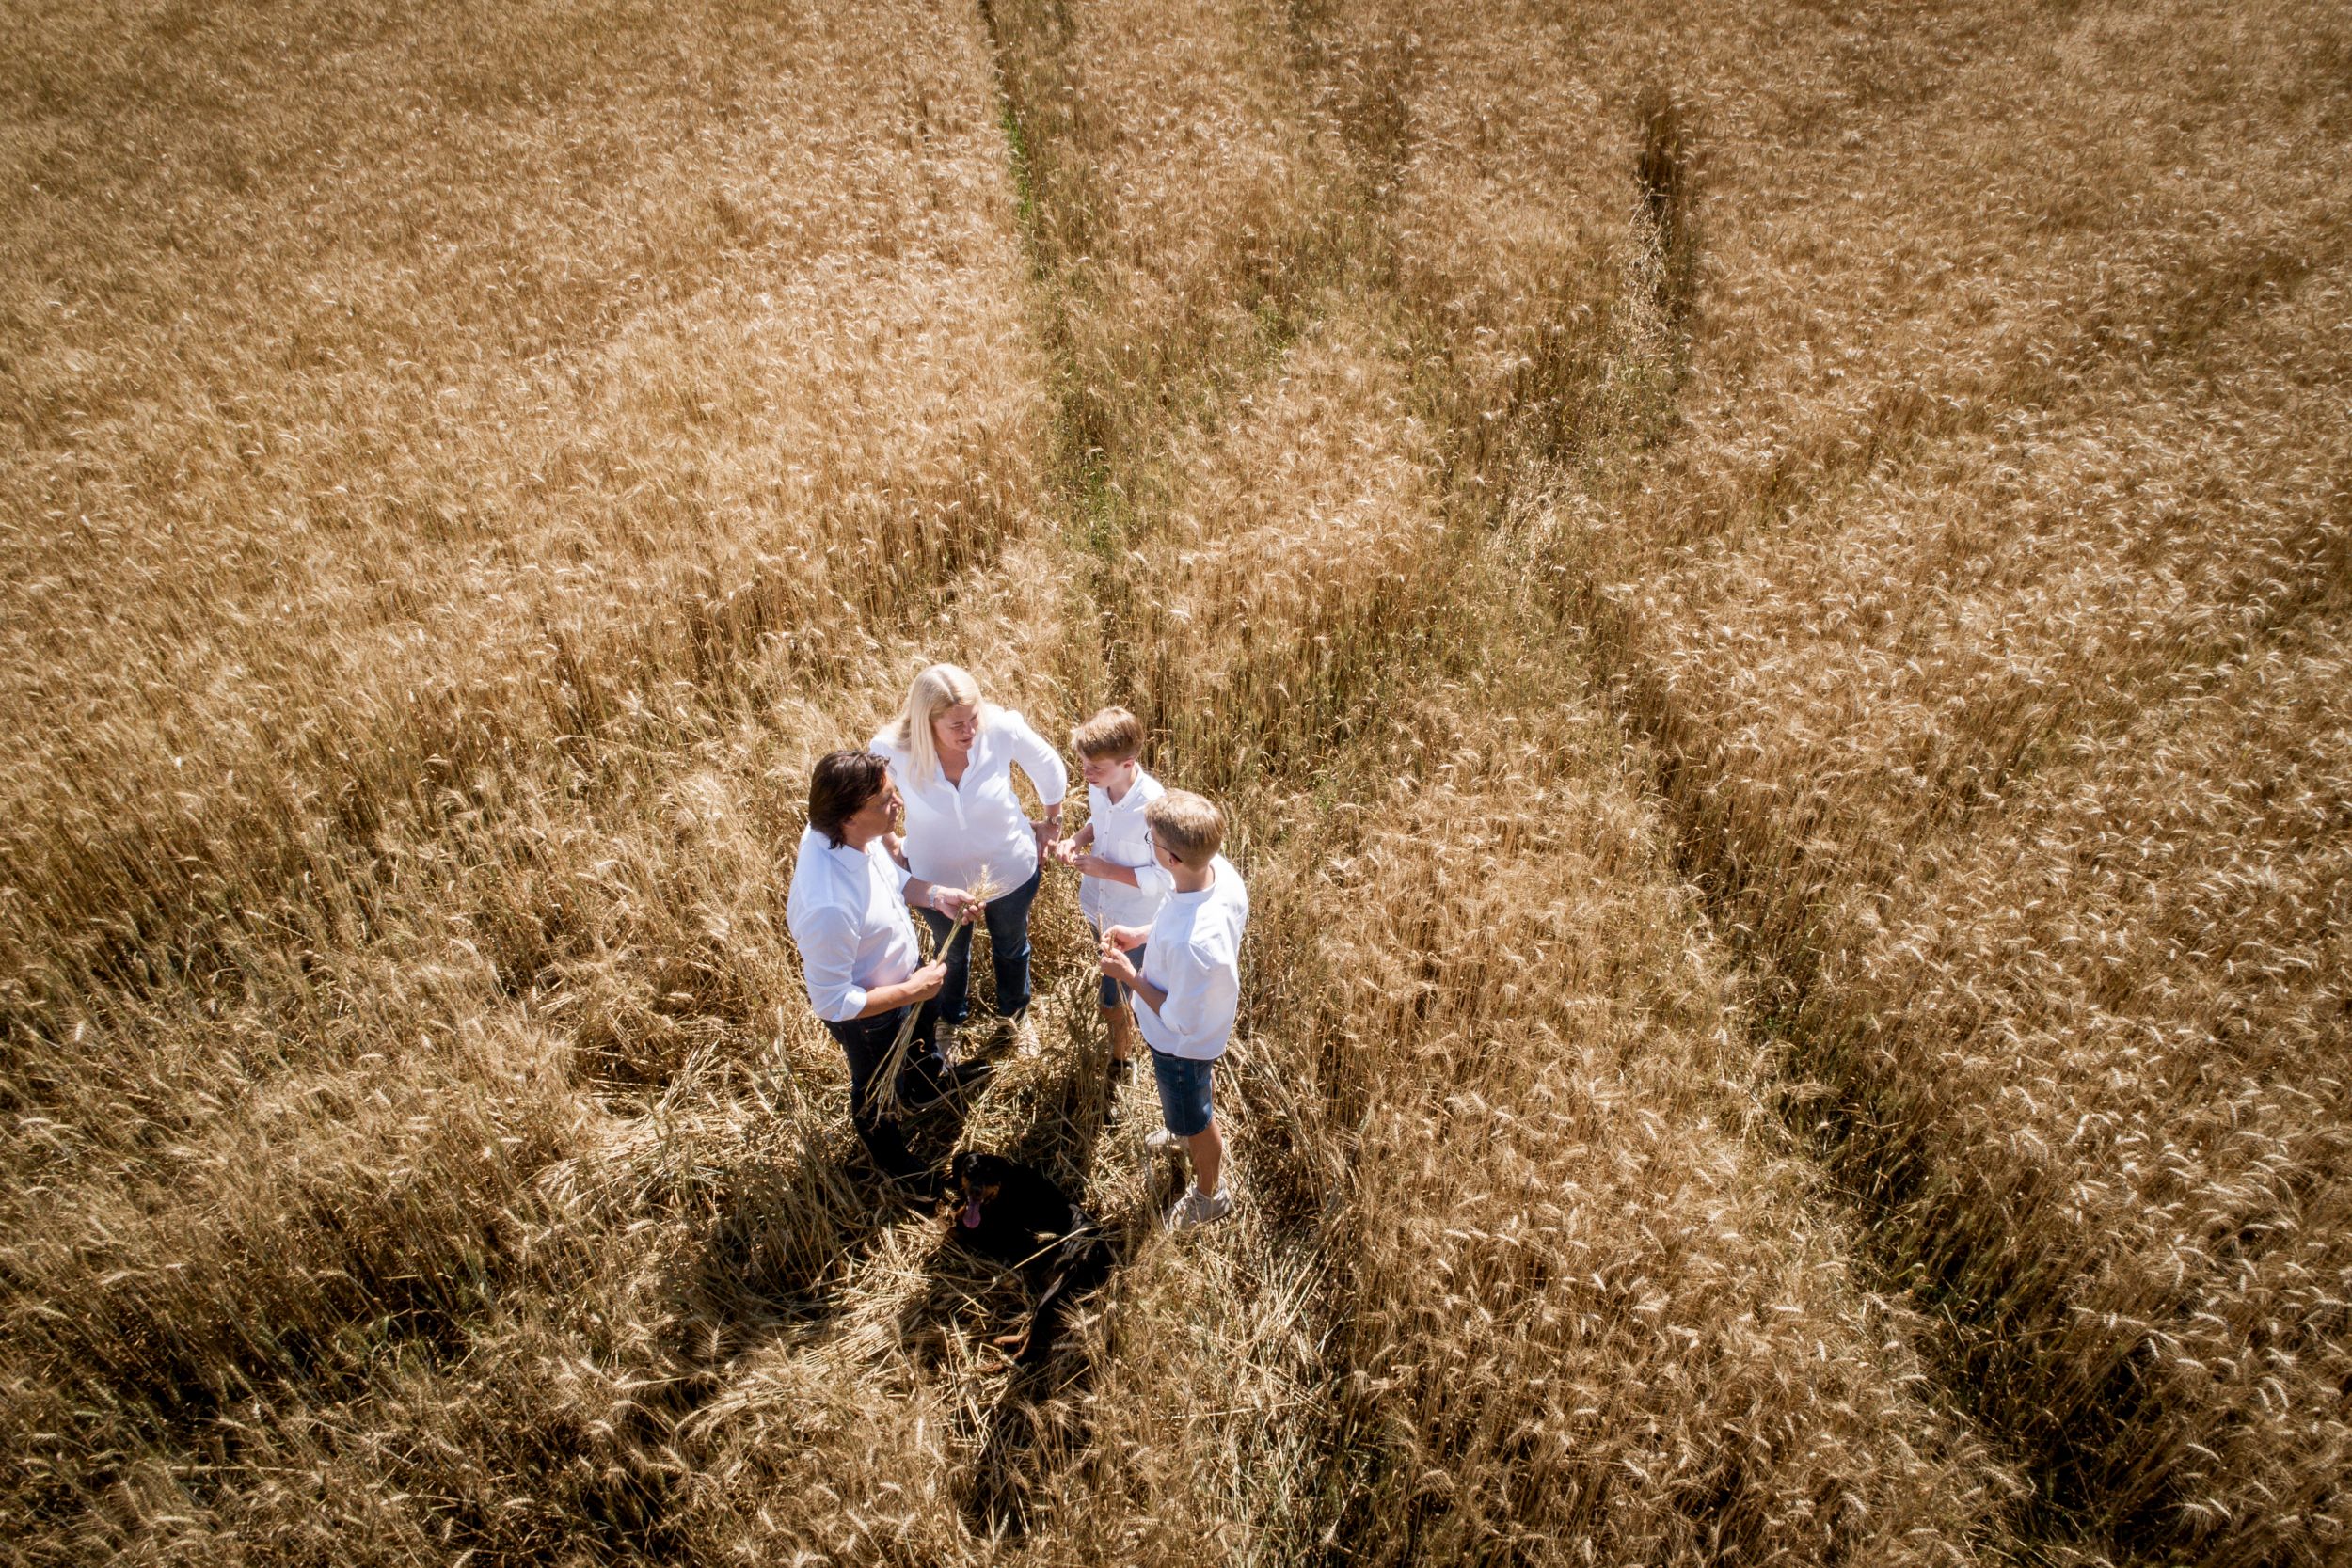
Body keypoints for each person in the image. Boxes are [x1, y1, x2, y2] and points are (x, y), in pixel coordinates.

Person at [786, 750, 994, 1189]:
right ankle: (897, 1163)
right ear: (847, 817)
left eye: (893, 791)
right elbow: (833, 1002)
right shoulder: (828, 902)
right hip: (872, 1017)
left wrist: (936, 895)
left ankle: (923, 1085)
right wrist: (912, 992)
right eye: (885, 800)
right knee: (876, 1087)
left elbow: (893, 881)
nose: (897, 803)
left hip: (907, 980)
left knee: (920, 1041)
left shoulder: (856, 838)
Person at [871, 664, 1069, 1055]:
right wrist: (892, 845)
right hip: (937, 882)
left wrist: (1052, 822)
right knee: (952, 954)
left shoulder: (999, 729)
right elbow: (869, 800)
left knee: (1011, 946)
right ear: (926, 723)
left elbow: (1049, 768)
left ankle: (1015, 1017)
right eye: (956, 725)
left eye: (973, 718)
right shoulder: (891, 749)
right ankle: (950, 1022)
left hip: (1010, 870)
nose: (970, 732)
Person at [1097, 789, 1248, 1230]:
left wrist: (1128, 975)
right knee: (1191, 1099)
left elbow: (1177, 1018)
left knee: (1196, 1117)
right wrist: (1144, 936)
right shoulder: (1217, 871)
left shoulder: (1194, 945)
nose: (1149, 844)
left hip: (1182, 1045)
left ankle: (1209, 1193)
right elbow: (1176, 915)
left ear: (1172, 859)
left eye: (1152, 841)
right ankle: (1181, 1125)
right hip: (1199, 1026)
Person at [1051, 706, 1170, 1101]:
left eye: (1095, 766)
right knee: (1114, 990)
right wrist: (1077, 840)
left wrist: (1106, 869)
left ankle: (1123, 1060)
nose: (1086, 772)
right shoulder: (1099, 784)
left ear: (1128, 763)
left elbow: (1163, 878)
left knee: (1114, 998)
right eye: (1082, 763)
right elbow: (1097, 822)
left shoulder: (1154, 808)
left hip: (1132, 923)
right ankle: (1124, 1040)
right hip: (1097, 908)